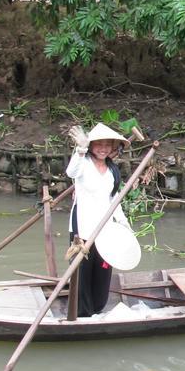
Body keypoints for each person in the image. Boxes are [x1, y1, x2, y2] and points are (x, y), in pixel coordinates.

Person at [66, 122, 130, 317]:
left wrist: (123, 221)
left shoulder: (112, 171)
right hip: (83, 228)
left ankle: (97, 310)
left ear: (112, 147)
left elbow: (113, 200)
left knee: (103, 271)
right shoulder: (83, 162)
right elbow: (71, 173)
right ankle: (82, 314)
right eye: (98, 144)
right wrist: (81, 149)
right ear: (91, 145)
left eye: (107, 145)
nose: (103, 148)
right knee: (82, 274)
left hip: (105, 229)